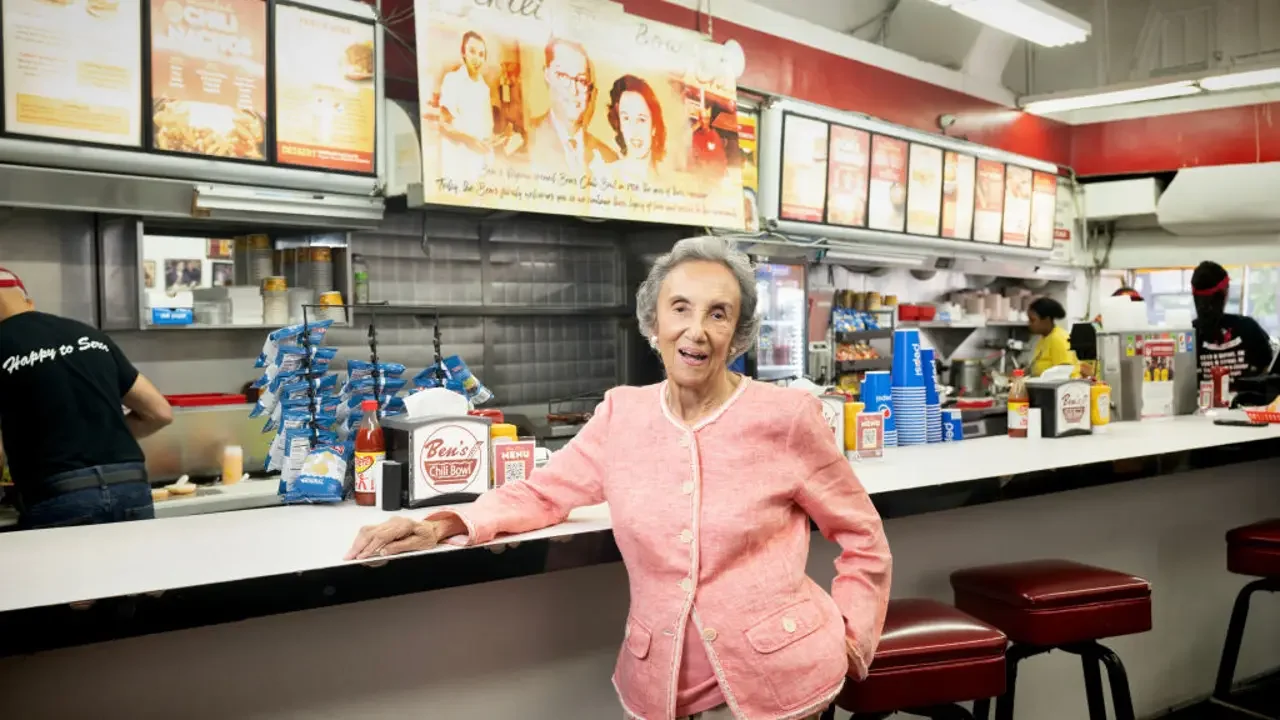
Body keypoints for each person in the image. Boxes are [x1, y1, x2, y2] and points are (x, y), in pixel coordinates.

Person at [347, 237, 891, 720]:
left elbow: (863, 537)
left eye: (719, 314)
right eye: (680, 308)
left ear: (739, 333)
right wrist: (444, 524)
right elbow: (543, 491)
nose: (696, 331)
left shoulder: (787, 417)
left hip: (779, 684)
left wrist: (851, 638)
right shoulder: (621, 414)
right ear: (654, 322)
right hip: (659, 683)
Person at [0, 267, 173, 529]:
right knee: (133, 570)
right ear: (29, 302)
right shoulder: (89, 334)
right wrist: (96, 439)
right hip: (131, 487)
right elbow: (159, 413)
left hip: (59, 496)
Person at [526, 38, 617, 176]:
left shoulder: (609, 159)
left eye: (581, 80)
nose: (573, 90)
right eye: (563, 76)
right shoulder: (526, 141)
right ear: (547, 75)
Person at [1191, 261, 1274, 381]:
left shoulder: (1187, 337)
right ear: (1225, 292)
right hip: (1247, 399)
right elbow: (1269, 371)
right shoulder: (1249, 328)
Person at [437, 30, 497, 183]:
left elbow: (487, 128)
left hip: (479, 161)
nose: (477, 59)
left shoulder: (484, 89)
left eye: (481, 54)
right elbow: (444, 125)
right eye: (472, 52)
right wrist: (470, 140)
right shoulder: (452, 80)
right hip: (458, 158)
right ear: (463, 53)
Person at [604, 74, 666, 183]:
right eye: (626, 118)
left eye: (641, 120)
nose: (634, 130)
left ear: (654, 127)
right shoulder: (607, 178)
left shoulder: (666, 185)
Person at [1027, 296, 1076, 377]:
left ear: (1046, 319)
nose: (1029, 324)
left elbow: (1063, 373)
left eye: (1032, 320)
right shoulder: (1044, 339)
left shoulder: (1058, 338)